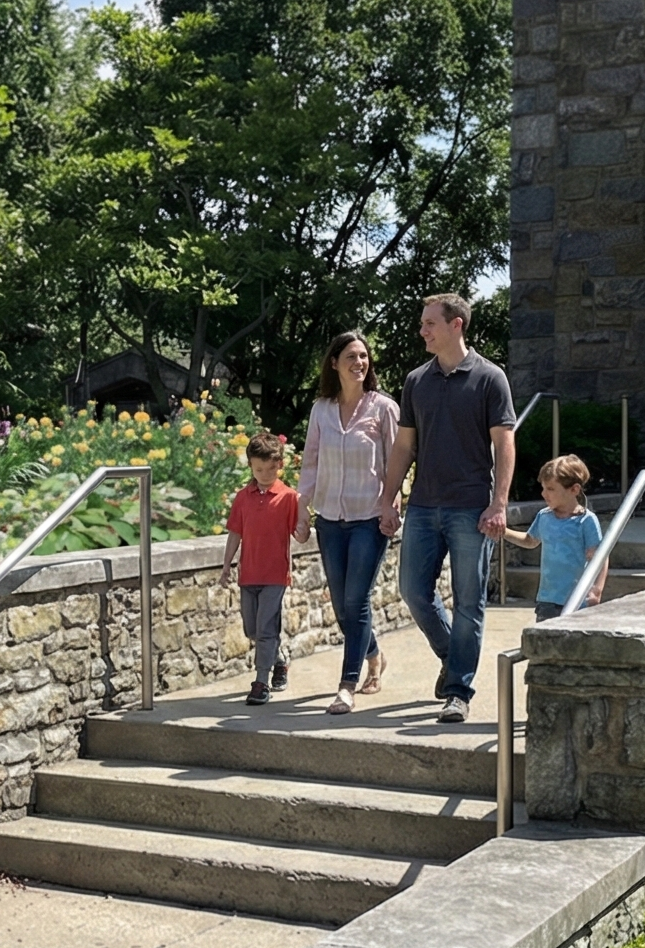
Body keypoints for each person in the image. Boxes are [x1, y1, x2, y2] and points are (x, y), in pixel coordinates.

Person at [383, 292, 518, 724]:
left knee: (469, 602)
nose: (423, 330)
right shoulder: (416, 381)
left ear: (455, 324)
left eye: (429, 324)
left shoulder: (490, 378)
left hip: (471, 507)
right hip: (423, 505)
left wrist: (499, 504)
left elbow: (504, 443)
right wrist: (387, 498)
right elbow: (404, 444)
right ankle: (452, 655)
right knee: (413, 592)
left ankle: (458, 689)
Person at [297, 332, 399, 714]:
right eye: (352, 357)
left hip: (369, 519)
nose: (360, 363)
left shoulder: (384, 408)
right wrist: (301, 510)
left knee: (357, 601)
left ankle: (346, 686)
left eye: (364, 357)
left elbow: (397, 462)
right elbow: (310, 464)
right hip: (329, 520)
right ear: (335, 362)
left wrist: (392, 503)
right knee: (342, 607)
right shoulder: (321, 409)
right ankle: (373, 654)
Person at [221, 431, 299, 706]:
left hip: (275, 576)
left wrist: (304, 520)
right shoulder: (243, 497)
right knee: (251, 630)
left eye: (270, 468)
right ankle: (280, 660)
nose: (265, 474)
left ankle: (260, 682)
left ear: (279, 465)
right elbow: (235, 533)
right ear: (251, 467)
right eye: (258, 469)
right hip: (248, 575)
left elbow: (299, 535)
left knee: (266, 629)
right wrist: (226, 565)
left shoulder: (289, 497)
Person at [500, 455, 606, 620]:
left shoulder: (586, 520)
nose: (544, 494)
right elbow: (530, 540)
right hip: (547, 600)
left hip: (577, 599)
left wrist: (596, 590)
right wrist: (503, 532)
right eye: (543, 488)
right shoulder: (544, 516)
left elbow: (599, 557)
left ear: (574, 490)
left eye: (550, 489)